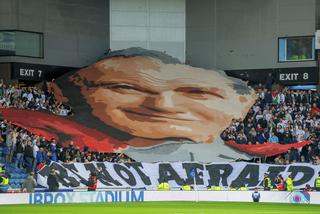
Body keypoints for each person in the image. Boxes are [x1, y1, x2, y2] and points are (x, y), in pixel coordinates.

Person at [0, 48, 258, 162]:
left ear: (242, 105)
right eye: (125, 88)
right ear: (65, 93)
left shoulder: (248, 152)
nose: (161, 104)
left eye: (195, 92)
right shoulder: (65, 135)